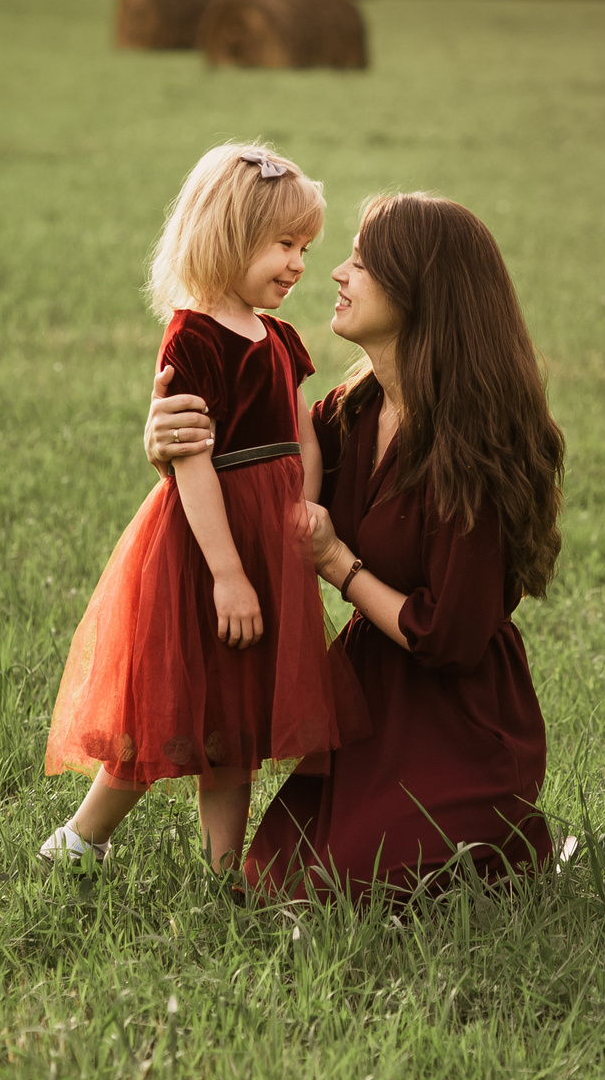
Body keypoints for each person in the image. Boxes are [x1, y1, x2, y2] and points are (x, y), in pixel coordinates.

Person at [146, 192, 565, 895]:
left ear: (418, 291)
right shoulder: (354, 412)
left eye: (362, 264)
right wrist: (165, 442)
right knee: (273, 882)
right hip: (369, 706)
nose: (336, 273)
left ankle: (509, 836)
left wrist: (337, 563)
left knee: (355, 888)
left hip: (460, 721)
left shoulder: (476, 449)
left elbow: (450, 638)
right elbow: (252, 464)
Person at [40, 143, 364, 872]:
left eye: (305, 248)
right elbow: (190, 460)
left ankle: (224, 871)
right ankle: (80, 838)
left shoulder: (280, 338)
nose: (299, 264)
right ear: (229, 237)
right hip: (207, 548)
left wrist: (306, 509)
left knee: (236, 719)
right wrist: (227, 572)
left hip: (268, 543)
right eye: (284, 245)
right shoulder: (194, 336)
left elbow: (303, 436)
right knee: (172, 708)